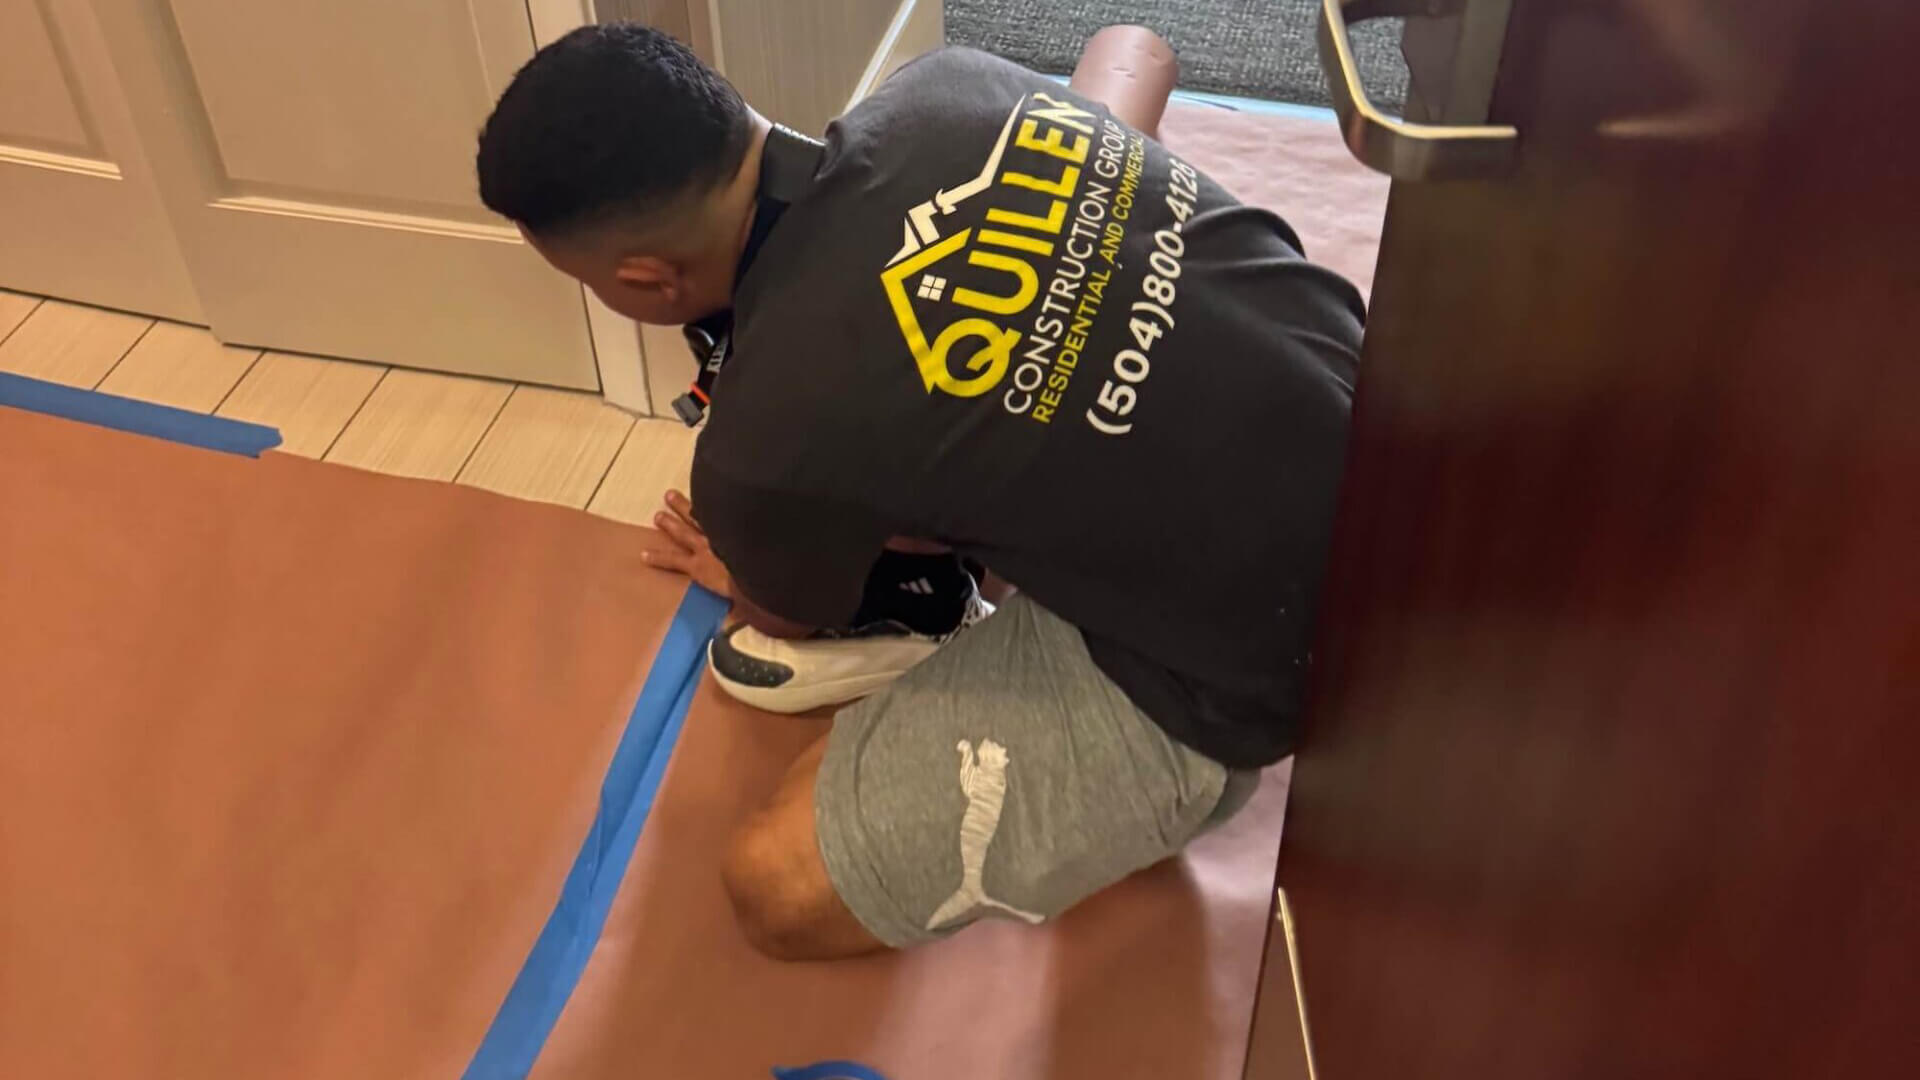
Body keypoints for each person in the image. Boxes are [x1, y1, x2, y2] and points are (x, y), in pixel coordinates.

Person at [475, 24, 1364, 960]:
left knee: (771, 886)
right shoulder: (950, 86)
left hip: (1257, 666)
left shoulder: (766, 436)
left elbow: (785, 618)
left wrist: (745, 552)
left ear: (647, 282)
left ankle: (982, 668)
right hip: (1391, 446)